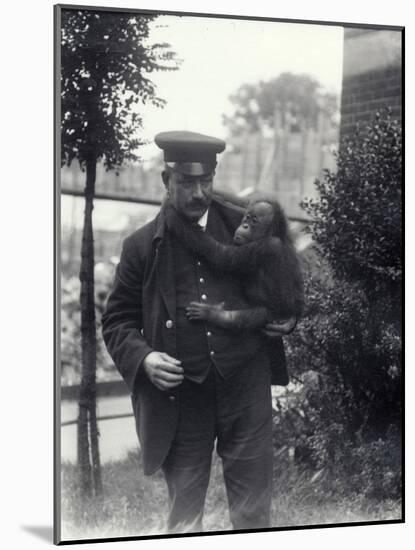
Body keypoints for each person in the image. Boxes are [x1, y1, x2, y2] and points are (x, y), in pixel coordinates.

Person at [102, 131, 296, 534]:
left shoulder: (247, 222)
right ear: (165, 180)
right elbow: (117, 320)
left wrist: (289, 315)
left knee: (253, 512)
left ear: (214, 175)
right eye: (186, 183)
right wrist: (145, 358)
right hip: (182, 396)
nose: (197, 193)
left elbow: (287, 277)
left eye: (204, 181)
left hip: (245, 384)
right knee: (184, 515)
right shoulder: (140, 246)